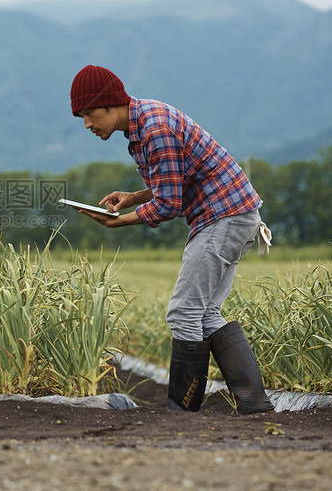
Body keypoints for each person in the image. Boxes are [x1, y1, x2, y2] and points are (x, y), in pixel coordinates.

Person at [68, 64, 274, 414]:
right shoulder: (144, 122)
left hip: (222, 215)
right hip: (234, 214)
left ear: (110, 104)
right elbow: (174, 176)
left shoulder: (153, 128)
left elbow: (168, 203)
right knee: (205, 314)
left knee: (183, 313)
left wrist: (120, 222)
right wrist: (133, 198)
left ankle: (182, 411)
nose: (87, 124)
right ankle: (254, 403)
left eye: (89, 114)